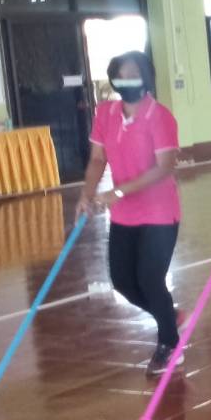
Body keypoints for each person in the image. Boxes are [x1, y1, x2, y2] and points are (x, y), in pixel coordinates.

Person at [76, 51, 182, 375]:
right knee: (123, 281)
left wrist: (119, 191)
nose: (126, 80)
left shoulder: (159, 116)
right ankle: (170, 317)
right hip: (125, 214)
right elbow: (98, 158)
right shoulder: (106, 113)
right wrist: (86, 194)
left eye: (133, 73)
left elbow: (164, 167)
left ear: (146, 76)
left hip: (159, 212)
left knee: (150, 278)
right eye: (120, 75)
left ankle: (169, 343)